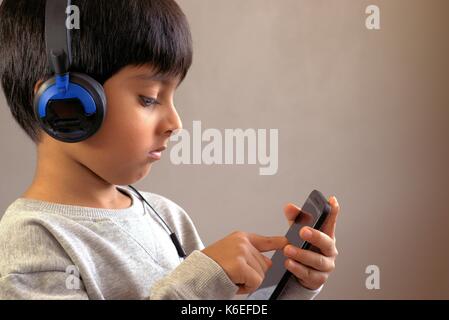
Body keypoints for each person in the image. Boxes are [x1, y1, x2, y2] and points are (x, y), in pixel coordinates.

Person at [0, 0, 340, 299]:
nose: (175, 122)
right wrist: (201, 280)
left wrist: (293, 285)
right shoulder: (33, 239)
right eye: (149, 98)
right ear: (65, 104)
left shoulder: (166, 216)